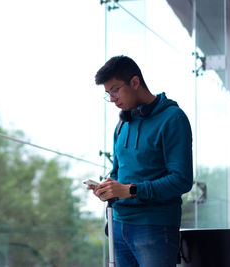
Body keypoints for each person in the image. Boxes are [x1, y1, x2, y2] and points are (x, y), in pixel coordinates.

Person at [88, 55, 193, 267]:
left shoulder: (173, 118)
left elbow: (181, 180)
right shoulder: (122, 125)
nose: (112, 98)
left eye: (116, 90)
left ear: (135, 82)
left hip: (154, 227)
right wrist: (108, 187)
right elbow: (118, 171)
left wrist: (130, 190)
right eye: (108, 93)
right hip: (118, 225)